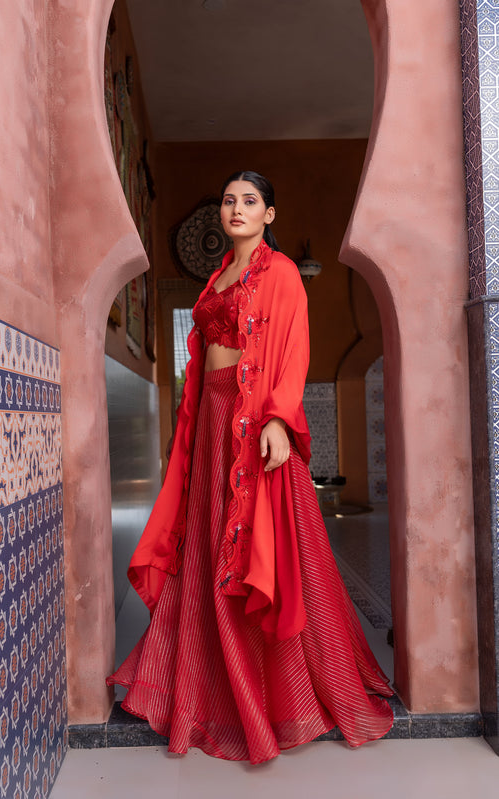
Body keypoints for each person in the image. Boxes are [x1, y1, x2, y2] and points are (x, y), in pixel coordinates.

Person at [107, 170, 394, 764]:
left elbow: (293, 347)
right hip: (212, 421)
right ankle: (201, 683)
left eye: (250, 202)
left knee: (269, 551)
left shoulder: (281, 272)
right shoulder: (218, 276)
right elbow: (206, 356)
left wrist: (277, 420)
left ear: (270, 215)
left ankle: (279, 694)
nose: (236, 209)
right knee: (208, 545)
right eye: (229, 201)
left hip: (253, 421)